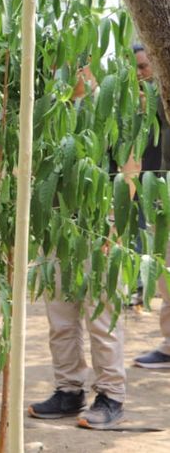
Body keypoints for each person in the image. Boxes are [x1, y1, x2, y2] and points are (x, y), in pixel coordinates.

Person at [28, 65, 127, 430]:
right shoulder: (52, 111)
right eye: (57, 64)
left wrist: (115, 228)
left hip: (100, 228)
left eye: (71, 63)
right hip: (56, 230)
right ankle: (69, 390)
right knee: (60, 318)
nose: (63, 72)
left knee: (102, 317)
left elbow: (129, 169)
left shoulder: (110, 107)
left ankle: (111, 396)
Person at [132, 44, 170, 369]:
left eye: (145, 67)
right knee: (164, 271)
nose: (140, 75)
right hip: (155, 193)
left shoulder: (162, 101)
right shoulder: (138, 106)